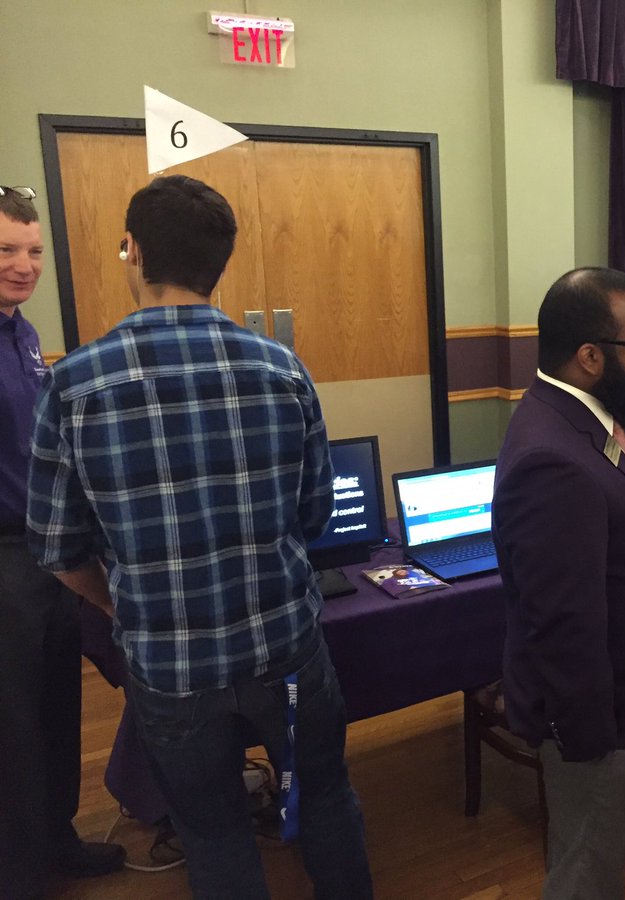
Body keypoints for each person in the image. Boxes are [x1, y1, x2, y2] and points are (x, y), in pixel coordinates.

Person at [25, 175, 373, 900]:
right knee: (329, 797)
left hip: (170, 666)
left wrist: (130, 605)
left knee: (214, 833)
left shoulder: (74, 384)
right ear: (220, 263)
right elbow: (314, 517)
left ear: (134, 252)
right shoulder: (284, 369)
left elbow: (57, 549)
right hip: (288, 649)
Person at [492, 267, 625, 899]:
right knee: (587, 866)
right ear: (590, 356)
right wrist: (591, 741)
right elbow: (565, 621)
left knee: (598, 855)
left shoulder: (584, 415)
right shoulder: (553, 457)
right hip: (597, 719)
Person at [0, 185, 126, 900]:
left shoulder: (21, 331)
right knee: (11, 722)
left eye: (34, 251)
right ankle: (18, 871)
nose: (24, 265)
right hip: (4, 558)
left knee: (55, 704)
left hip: (46, 549)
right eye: (7, 251)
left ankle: (57, 838)